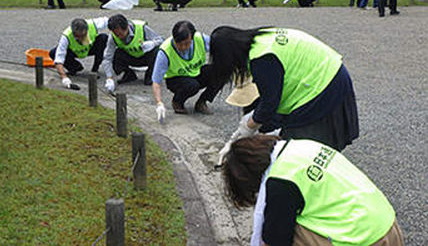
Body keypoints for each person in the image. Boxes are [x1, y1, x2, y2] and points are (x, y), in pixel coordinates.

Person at [222, 134, 405, 246]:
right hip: (388, 226)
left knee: (288, 229)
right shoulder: (301, 146)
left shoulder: (280, 181)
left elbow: (274, 240)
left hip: (364, 240)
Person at [210, 26, 359, 152]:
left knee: (300, 151)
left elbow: (269, 104)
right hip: (330, 73)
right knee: (289, 138)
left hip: (323, 85)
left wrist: (246, 129)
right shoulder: (261, 40)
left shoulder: (261, 58)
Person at [152, 21, 221, 120]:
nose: (183, 47)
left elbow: (219, 49)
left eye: (187, 43)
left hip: (196, 72)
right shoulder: (165, 51)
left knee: (221, 72)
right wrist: (159, 103)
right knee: (192, 86)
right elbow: (156, 81)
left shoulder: (201, 39)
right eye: (179, 44)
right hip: (176, 79)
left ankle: (202, 102)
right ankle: (177, 102)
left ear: (192, 38)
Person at [101, 14, 164, 93]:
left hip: (146, 57)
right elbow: (107, 57)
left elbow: (161, 40)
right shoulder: (113, 37)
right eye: (116, 34)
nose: (119, 37)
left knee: (158, 50)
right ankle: (129, 74)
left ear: (126, 27)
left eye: (120, 34)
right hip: (130, 57)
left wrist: (152, 43)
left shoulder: (142, 28)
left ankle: (150, 75)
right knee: (117, 53)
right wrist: (109, 77)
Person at [49, 17, 108, 89]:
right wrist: (64, 77)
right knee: (53, 53)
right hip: (74, 52)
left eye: (83, 35)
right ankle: (75, 67)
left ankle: (95, 70)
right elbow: (59, 58)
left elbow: (110, 21)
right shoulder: (66, 36)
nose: (81, 38)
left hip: (90, 48)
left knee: (103, 38)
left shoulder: (93, 24)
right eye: (78, 36)